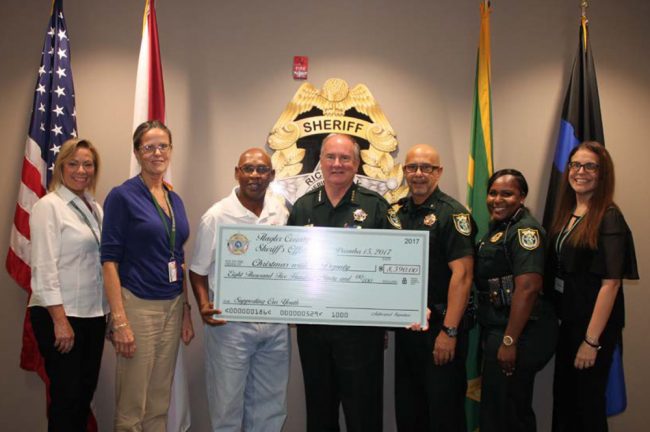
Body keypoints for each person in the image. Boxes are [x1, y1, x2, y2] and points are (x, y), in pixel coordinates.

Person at [287, 133, 390, 432]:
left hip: (360, 331)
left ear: (356, 164)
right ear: (320, 161)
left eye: (345, 158)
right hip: (314, 330)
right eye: (330, 157)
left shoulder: (376, 207)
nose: (337, 163)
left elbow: (391, 268)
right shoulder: (303, 207)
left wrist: (390, 312)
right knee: (319, 409)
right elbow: (289, 265)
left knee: (364, 410)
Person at [101, 120, 194, 431]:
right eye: (149, 147)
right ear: (137, 152)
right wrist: (120, 320)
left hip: (172, 304)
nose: (157, 152)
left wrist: (186, 311)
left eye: (163, 146)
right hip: (138, 305)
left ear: (170, 150)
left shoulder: (174, 198)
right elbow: (109, 261)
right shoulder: (122, 196)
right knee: (132, 405)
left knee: (158, 401)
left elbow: (178, 256)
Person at [189, 148, 291, 432]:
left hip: (274, 325)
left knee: (271, 406)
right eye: (248, 169)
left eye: (261, 170)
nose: (255, 176)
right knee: (227, 406)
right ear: (237, 172)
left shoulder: (280, 212)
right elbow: (197, 270)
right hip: (230, 325)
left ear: (271, 176)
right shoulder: (217, 215)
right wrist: (203, 305)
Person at [549, 141, 638, 432]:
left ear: (602, 174)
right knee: (565, 401)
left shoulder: (609, 217)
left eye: (590, 166)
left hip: (592, 329)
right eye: (575, 164)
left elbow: (610, 284)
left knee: (587, 408)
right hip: (569, 323)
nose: (580, 171)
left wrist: (591, 341)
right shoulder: (569, 212)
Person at [387, 144, 474, 432]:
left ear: (439, 172)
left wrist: (449, 332)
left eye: (427, 168)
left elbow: (462, 276)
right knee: (410, 412)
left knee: (443, 413)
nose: (419, 174)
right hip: (408, 330)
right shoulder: (396, 213)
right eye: (412, 167)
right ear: (404, 171)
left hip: (440, 330)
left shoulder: (453, 214)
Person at [29, 138, 107, 432]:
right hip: (60, 315)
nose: (81, 170)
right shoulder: (48, 206)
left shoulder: (94, 208)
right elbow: (43, 266)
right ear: (60, 167)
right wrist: (60, 321)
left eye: (88, 164)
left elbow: (99, 266)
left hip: (92, 315)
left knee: (83, 396)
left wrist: (108, 312)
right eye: (73, 163)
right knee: (66, 399)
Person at [474, 169, 558, 432]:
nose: (497, 199)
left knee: (509, 413)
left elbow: (529, 288)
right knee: (498, 408)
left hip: (520, 332)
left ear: (521, 197)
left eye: (507, 194)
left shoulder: (525, 231)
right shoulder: (501, 228)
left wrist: (509, 341)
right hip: (500, 325)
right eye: (493, 193)